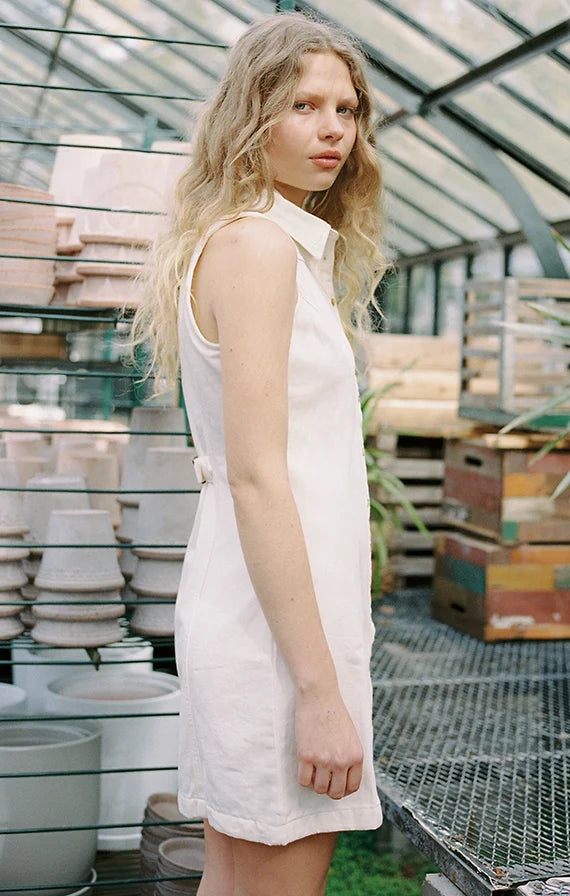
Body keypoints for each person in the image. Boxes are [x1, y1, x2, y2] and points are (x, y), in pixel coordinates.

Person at [131, 11, 386, 896]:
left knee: (238, 881)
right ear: (251, 117)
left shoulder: (265, 245)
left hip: (264, 618)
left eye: (346, 109)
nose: (332, 130)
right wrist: (319, 694)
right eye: (303, 105)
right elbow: (255, 475)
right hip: (279, 639)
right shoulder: (259, 248)